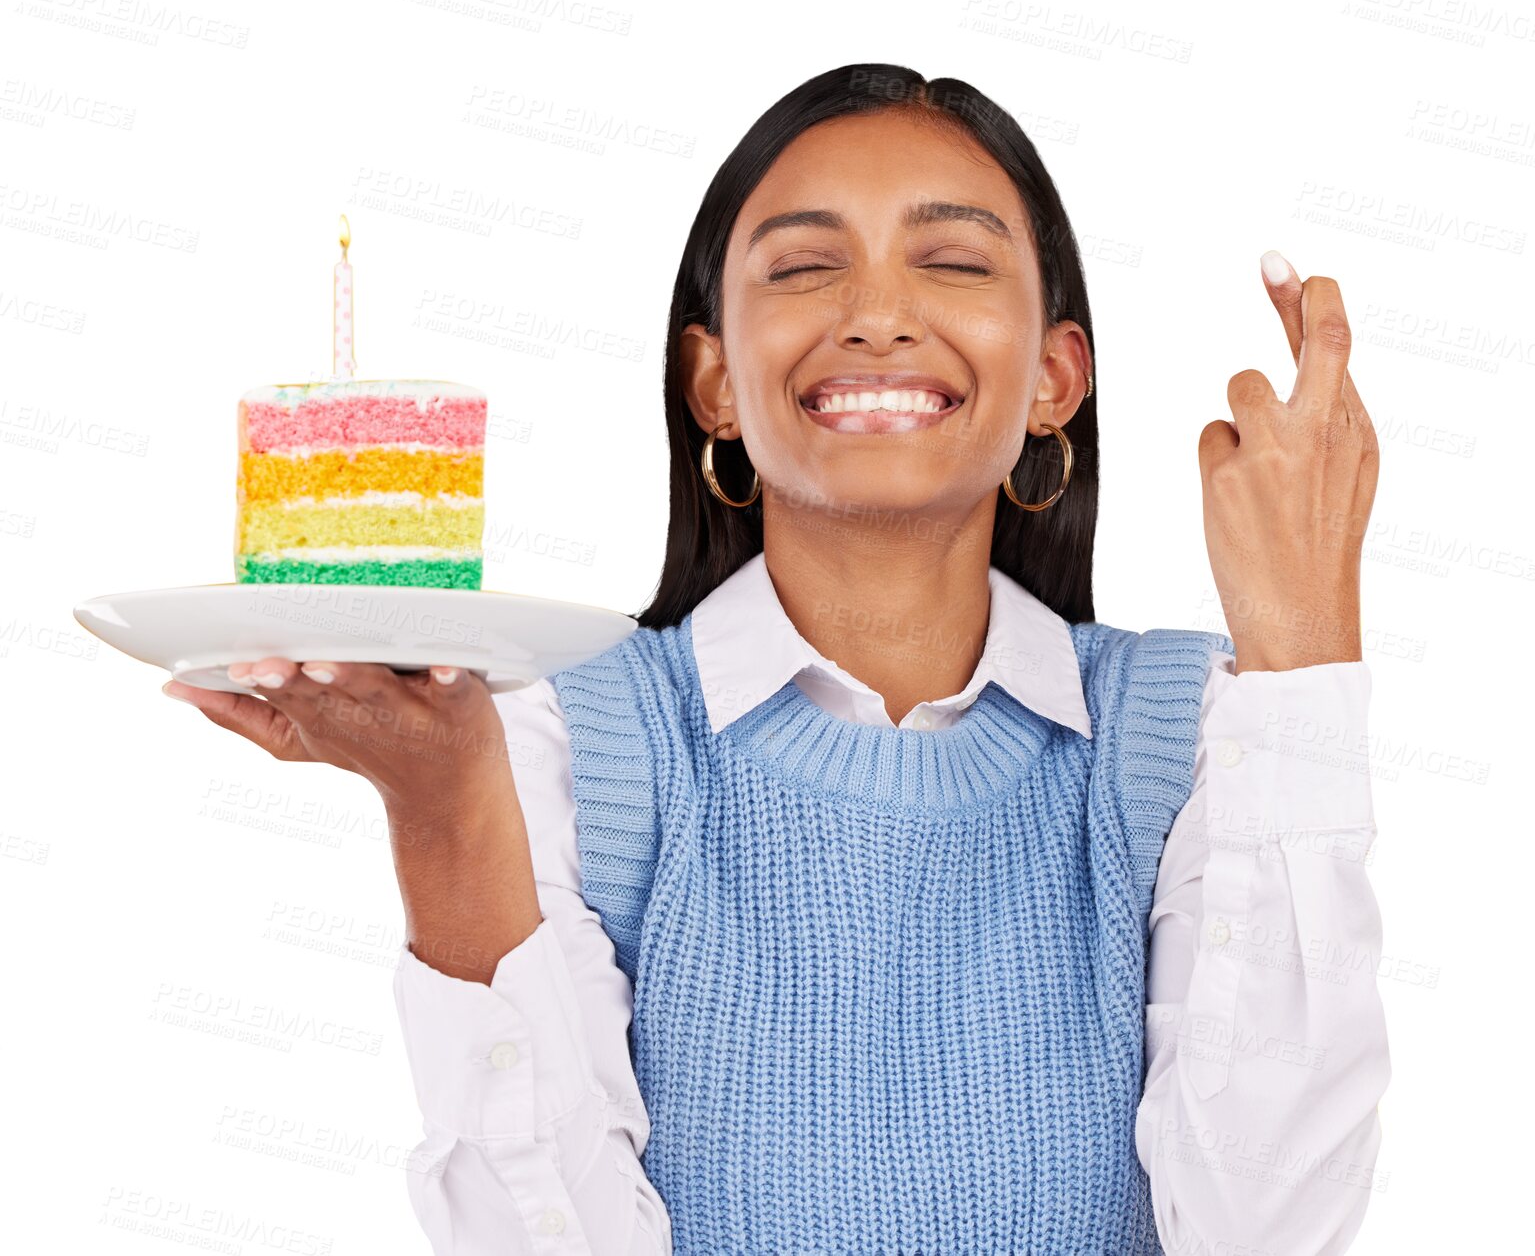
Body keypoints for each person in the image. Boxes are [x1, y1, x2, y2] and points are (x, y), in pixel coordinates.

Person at [163, 63, 1388, 1255]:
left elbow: (1263, 1227)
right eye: (804, 268)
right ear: (713, 384)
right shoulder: (564, 738)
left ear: (1053, 381)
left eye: (953, 262)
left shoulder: (1188, 736)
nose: (874, 313)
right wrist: (442, 815)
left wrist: (1302, 649)